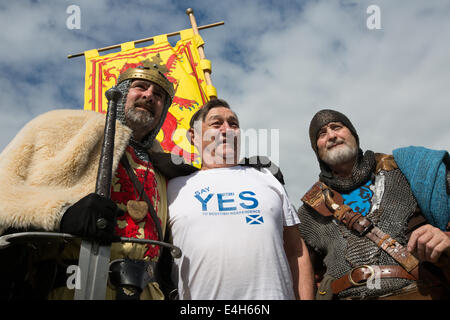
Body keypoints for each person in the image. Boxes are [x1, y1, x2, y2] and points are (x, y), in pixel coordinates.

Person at [0, 65, 196, 300]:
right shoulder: (64, 129)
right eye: (140, 87)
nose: (149, 95)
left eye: (159, 95)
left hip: (148, 293)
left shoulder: (166, 167)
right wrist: (62, 214)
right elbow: (6, 190)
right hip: (74, 285)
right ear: (121, 92)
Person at [167, 98, 315, 300]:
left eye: (233, 124)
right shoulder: (172, 187)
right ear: (194, 136)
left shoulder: (268, 179)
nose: (227, 129)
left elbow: (296, 251)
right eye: (216, 123)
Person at [297, 109, 450, 300]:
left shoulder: (408, 170)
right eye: (322, 134)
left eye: (337, 127)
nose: (331, 136)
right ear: (316, 149)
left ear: (353, 134)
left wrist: (446, 237)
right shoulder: (310, 211)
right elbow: (305, 278)